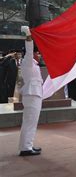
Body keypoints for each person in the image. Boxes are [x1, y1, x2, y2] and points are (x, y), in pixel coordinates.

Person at [18, 26, 43, 156]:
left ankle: (28, 145)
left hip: (35, 94)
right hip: (32, 94)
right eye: (36, 52)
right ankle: (26, 148)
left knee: (32, 122)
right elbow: (29, 49)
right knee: (30, 122)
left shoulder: (34, 64)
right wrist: (28, 35)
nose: (38, 54)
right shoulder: (27, 61)